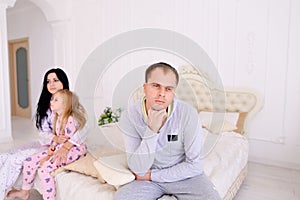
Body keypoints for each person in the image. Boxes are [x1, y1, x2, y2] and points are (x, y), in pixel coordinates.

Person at [114, 62, 221, 200]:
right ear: (145, 88)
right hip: (145, 179)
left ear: (173, 92)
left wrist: (152, 176)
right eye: (156, 86)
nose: (162, 94)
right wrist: (152, 131)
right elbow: (138, 169)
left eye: (168, 89)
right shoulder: (130, 116)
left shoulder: (188, 114)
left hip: (182, 176)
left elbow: (195, 165)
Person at [0, 68, 88, 199]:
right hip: (50, 144)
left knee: (31, 163)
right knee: (8, 156)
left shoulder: (72, 105)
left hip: (68, 146)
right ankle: (15, 189)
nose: (51, 84)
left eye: (55, 80)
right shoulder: (47, 107)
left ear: (63, 82)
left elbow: (84, 128)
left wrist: (65, 146)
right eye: (48, 81)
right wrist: (55, 139)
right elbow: (43, 132)